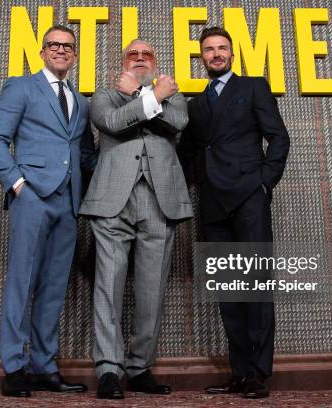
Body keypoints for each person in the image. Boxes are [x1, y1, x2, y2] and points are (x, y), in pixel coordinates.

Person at [0, 25, 96, 398]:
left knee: (53, 288)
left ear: (74, 54)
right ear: (43, 50)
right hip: (31, 197)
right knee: (22, 282)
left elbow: (81, 153)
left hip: (68, 202)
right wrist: (18, 185)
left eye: (68, 46)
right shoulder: (21, 86)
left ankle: (44, 367)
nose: (61, 50)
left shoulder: (80, 100)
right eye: (55, 45)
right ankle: (14, 368)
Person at [179, 27, 290, 399]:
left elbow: (278, 135)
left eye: (222, 48)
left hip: (248, 197)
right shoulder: (196, 103)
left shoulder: (254, 86)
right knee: (228, 289)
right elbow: (187, 154)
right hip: (213, 203)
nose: (216, 54)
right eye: (209, 49)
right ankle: (239, 372)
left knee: (255, 285)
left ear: (232, 52)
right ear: (201, 57)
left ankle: (259, 373)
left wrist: (265, 181)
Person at [79, 39, 193, 399]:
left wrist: (145, 92)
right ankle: (109, 370)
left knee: (152, 289)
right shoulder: (104, 94)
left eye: (146, 55)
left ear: (155, 62)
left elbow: (178, 122)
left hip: (160, 200)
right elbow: (112, 123)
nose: (140, 59)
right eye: (133, 55)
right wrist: (151, 95)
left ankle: (140, 366)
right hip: (113, 199)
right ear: (123, 61)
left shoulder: (171, 92)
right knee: (107, 287)